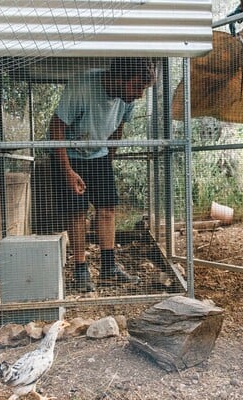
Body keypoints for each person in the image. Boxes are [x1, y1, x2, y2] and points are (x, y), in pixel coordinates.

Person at [47, 57, 155, 292]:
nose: (139, 94)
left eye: (143, 89)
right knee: (77, 211)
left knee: (107, 208)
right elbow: (56, 127)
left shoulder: (126, 97)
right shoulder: (82, 86)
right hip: (69, 153)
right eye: (137, 87)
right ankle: (81, 269)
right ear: (119, 78)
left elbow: (118, 127)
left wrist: (108, 159)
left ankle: (109, 267)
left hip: (98, 154)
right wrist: (67, 171)